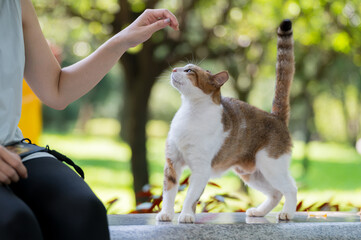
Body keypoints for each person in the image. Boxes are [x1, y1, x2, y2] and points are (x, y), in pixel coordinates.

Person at [0, 0, 179, 239]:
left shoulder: (16, 4)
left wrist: (123, 39)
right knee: (13, 224)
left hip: (12, 146)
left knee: (82, 211)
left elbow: (56, 89)